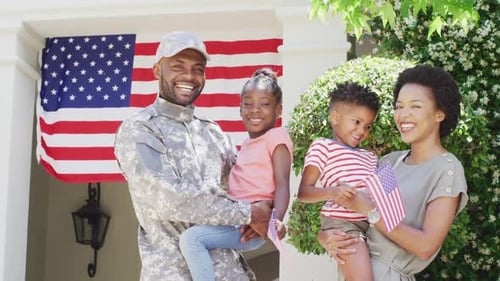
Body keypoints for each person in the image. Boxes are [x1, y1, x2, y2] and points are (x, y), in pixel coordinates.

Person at [114, 31, 272, 281]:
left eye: (198, 69)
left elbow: (243, 187)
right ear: (157, 70)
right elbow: (167, 197)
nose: (189, 76)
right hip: (173, 274)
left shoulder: (213, 133)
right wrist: (249, 213)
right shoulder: (141, 128)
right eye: (178, 66)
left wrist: (269, 209)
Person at [317, 65, 468, 281]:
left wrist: (369, 210)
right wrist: (325, 236)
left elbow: (425, 246)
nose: (403, 115)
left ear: (439, 114)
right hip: (354, 270)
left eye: (415, 106)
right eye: (399, 106)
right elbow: (354, 216)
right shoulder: (391, 163)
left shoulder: (446, 169)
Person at [178, 68, 293, 281]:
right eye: (247, 104)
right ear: (239, 110)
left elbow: (283, 182)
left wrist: (275, 220)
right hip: (237, 217)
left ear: (278, 110)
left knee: (191, 240)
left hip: (250, 223)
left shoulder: (277, 137)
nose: (254, 110)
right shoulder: (248, 144)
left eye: (264, 104)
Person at [297, 82, 380, 281]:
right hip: (343, 225)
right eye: (356, 122)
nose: (362, 130)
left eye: (367, 126)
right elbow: (303, 193)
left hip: (373, 225)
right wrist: (332, 192)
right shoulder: (323, 146)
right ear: (335, 118)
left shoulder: (370, 156)